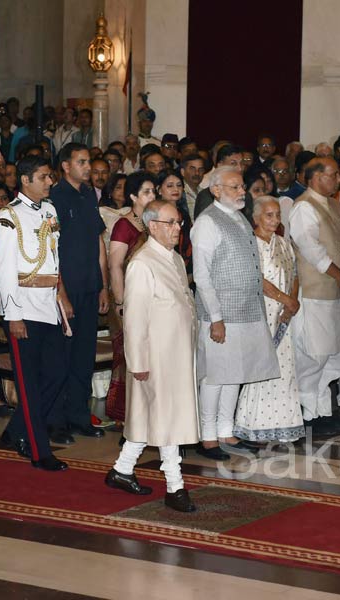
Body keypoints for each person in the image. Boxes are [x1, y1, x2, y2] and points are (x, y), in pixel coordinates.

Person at [104, 199, 199, 512]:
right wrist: (139, 361)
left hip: (175, 353)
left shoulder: (171, 258)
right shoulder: (142, 263)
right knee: (166, 418)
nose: (177, 229)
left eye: (179, 223)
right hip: (155, 356)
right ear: (153, 225)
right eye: (171, 223)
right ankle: (175, 485)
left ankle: (122, 470)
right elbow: (134, 319)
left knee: (151, 415)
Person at [192, 166, 279, 460]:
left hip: (246, 310)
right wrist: (215, 317)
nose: (242, 192)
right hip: (221, 315)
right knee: (215, 376)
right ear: (216, 191)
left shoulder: (239, 217)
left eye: (242, 187)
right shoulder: (207, 222)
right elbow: (201, 275)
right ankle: (207, 437)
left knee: (235, 374)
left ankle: (226, 431)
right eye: (234, 187)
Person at [0, 155, 71, 471]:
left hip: (48, 305)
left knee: (56, 373)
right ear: (25, 180)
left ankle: (16, 430)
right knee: (28, 381)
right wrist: (13, 315)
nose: (49, 182)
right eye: (43, 177)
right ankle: (39, 452)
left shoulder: (50, 210)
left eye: (49, 177)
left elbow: (53, 260)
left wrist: (61, 297)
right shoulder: (7, 216)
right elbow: (5, 270)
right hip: (24, 307)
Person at [289, 157, 340, 436]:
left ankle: (322, 411)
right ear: (315, 177)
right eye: (333, 175)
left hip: (338, 293)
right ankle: (307, 415)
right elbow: (310, 248)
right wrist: (339, 274)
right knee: (314, 355)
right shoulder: (303, 207)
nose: (338, 180)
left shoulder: (336, 205)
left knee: (338, 354)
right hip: (314, 293)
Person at [47, 143, 108, 443]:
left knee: (84, 356)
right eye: (81, 162)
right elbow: (51, 251)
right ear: (66, 166)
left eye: (89, 162)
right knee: (62, 357)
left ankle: (79, 415)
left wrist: (103, 285)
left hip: (89, 285)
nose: (87, 167)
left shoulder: (88, 196)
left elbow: (99, 243)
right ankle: (56, 420)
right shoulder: (55, 197)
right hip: (65, 290)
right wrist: (62, 293)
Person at [234, 196, 304, 443]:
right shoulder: (248, 243)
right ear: (255, 217)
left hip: (285, 314)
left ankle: (284, 426)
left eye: (277, 215)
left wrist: (291, 303)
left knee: (285, 369)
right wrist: (286, 299)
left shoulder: (284, 243)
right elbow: (257, 279)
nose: (275, 220)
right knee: (263, 368)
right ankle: (253, 425)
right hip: (261, 313)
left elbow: (294, 274)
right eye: (269, 215)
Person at [105, 172, 156, 423]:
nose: (152, 196)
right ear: (134, 196)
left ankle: (149, 412)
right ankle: (125, 415)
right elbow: (115, 265)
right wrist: (122, 303)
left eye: (153, 191)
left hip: (153, 301)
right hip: (127, 299)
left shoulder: (155, 223)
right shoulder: (124, 225)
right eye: (146, 192)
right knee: (129, 356)